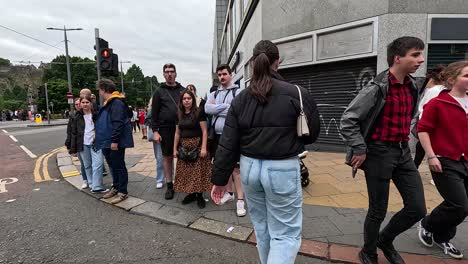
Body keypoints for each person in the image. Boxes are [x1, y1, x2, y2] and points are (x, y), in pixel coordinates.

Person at [211, 40, 320, 264]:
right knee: (286, 234)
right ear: (277, 63)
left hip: (249, 168)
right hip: (282, 168)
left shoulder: (241, 98)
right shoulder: (297, 93)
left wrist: (220, 179)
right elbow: (312, 134)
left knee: (262, 229)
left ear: (253, 62)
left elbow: (228, 142)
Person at [340, 36, 427, 264]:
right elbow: (348, 120)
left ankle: (385, 240)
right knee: (378, 210)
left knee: (417, 208)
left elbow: (411, 117)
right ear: (398, 58)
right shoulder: (376, 88)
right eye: (415, 55)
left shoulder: (413, 86)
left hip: (402, 153)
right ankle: (368, 251)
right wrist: (359, 148)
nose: (421, 59)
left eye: (421, 54)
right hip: (378, 154)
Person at [416, 61, 468, 259]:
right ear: (452, 79)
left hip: (467, 160)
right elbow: (423, 130)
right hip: (445, 160)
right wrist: (431, 156)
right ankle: (429, 226)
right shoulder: (437, 103)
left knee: (462, 206)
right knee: (459, 205)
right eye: (466, 75)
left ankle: (441, 235)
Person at [205, 64, 246, 216]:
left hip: (232, 137)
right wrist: (226, 107)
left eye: (224, 74)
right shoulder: (214, 93)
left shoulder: (238, 92)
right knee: (223, 167)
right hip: (216, 137)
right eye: (219, 75)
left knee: (236, 169)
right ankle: (229, 193)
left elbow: (237, 111)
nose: (221, 77)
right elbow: (207, 109)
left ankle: (240, 200)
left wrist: (218, 109)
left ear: (231, 75)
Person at [95, 79, 134, 204]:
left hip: (113, 141)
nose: (99, 93)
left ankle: (123, 191)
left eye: (100, 90)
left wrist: (115, 141)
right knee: (113, 165)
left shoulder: (116, 102)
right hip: (108, 140)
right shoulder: (110, 102)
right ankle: (116, 187)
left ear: (104, 89)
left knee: (119, 165)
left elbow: (118, 122)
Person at [173, 89, 212, 209]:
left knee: (198, 172)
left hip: (198, 145)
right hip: (184, 147)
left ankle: (199, 195)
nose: (186, 100)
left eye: (188, 98)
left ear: (192, 100)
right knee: (187, 173)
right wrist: (175, 149)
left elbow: (204, 131)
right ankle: (191, 194)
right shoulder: (179, 114)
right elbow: (177, 133)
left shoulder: (199, 112)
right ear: (181, 101)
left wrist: (204, 148)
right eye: (184, 99)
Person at [151, 63, 184, 200]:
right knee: (167, 157)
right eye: (167, 72)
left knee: (185, 156)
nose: (169, 74)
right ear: (164, 74)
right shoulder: (159, 91)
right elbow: (154, 113)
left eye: (172, 71)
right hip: (165, 129)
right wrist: (155, 131)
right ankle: (169, 185)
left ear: (176, 74)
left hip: (183, 128)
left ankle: (185, 183)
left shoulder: (182, 90)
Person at [69, 95, 106, 193]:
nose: (85, 104)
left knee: (98, 164)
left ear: (91, 103)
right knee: (87, 165)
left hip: (96, 143)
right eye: (83, 102)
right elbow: (73, 133)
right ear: (80, 104)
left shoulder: (97, 114)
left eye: (87, 102)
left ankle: (97, 186)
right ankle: (91, 183)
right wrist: (72, 149)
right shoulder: (76, 116)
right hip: (83, 144)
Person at [413, 66, 446, 168]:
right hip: (429, 122)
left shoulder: (436, 89)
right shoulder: (435, 89)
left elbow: (424, 107)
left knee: (424, 145)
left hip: (430, 121)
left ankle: (416, 166)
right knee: (424, 145)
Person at [65, 97, 88, 189]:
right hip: (78, 144)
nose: (78, 106)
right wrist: (69, 146)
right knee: (83, 163)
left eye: (80, 104)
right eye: (76, 104)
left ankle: (91, 180)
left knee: (89, 164)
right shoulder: (73, 116)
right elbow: (70, 132)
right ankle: (85, 180)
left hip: (88, 142)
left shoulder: (87, 114)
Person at [145, 98, 166, 189]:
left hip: (167, 133)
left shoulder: (166, 107)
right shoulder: (152, 109)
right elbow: (147, 121)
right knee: (160, 158)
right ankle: (160, 179)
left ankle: (170, 177)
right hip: (158, 134)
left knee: (168, 157)